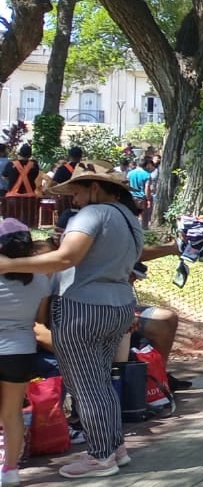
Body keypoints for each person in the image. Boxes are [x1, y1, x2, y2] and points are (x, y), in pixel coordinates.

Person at [0, 165, 143, 475]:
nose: (73, 199)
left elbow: (66, 258)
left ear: (95, 188)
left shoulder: (92, 215)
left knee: (87, 386)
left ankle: (101, 455)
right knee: (101, 382)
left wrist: (8, 264)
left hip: (82, 308)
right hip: (118, 305)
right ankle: (113, 447)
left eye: (77, 191)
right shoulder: (128, 218)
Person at [0, 219, 50, 484]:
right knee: (12, 413)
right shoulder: (40, 277)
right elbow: (39, 318)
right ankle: (10, 471)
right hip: (20, 350)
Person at [2, 144, 40, 228]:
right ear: (30, 155)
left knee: (11, 222)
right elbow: (35, 176)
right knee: (27, 222)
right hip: (29, 197)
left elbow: (4, 176)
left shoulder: (11, 164)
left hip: (13, 197)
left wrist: (12, 181)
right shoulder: (34, 165)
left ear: (19, 154)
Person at [127, 157, 155, 227]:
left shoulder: (130, 173)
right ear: (146, 165)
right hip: (142, 198)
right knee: (143, 218)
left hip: (131, 197)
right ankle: (143, 231)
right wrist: (148, 200)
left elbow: (127, 185)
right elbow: (147, 188)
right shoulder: (146, 175)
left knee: (133, 216)